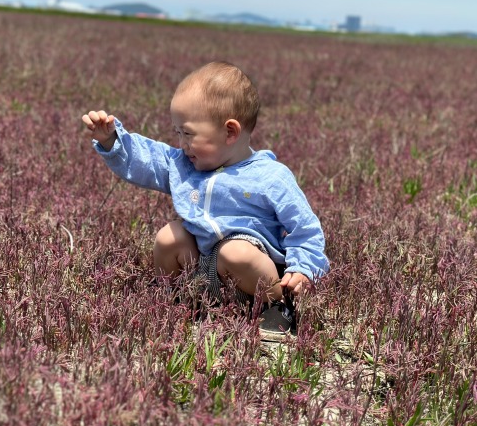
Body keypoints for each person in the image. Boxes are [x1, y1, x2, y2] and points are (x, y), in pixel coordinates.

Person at [82, 61, 328, 340]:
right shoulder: (183, 164)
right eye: (177, 133)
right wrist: (112, 141)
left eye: (187, 133)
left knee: (235, 252)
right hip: (201, 271)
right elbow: (148, 159)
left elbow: (304, 229)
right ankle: (176, 298)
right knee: (169, 236)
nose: (181, 144)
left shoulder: (270, 176)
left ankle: (276, 307)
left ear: (230, 132)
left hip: (248, 280)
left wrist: (303, 268)